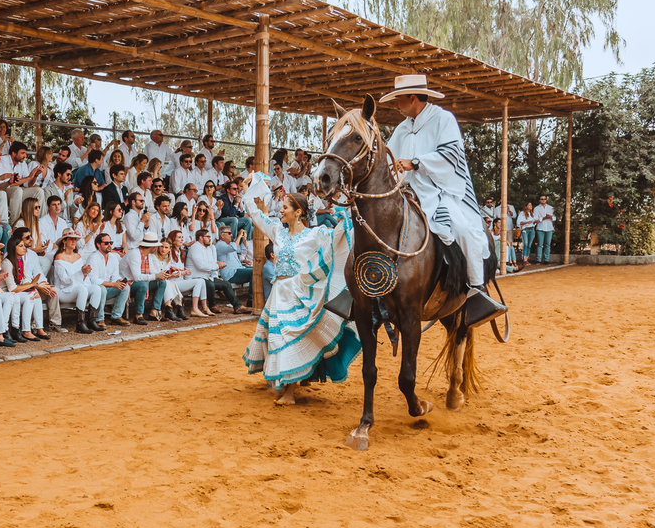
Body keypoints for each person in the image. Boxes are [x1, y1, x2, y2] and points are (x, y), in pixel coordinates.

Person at [381, 74, 504, 325]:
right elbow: (387, 159)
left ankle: (476, 293)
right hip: (404, 192)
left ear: (412, 98)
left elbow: (451, 154)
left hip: (440, 191)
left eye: (398, 99)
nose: (396, 105)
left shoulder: (443, 119)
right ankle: (359, 291)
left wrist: (416, 163)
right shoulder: (402, 127)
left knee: (462, 228)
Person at [240, 175, 361, 405]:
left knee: (288, 336)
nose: (281, 210)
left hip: (300, 291)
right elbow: (256, 215)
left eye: (285, 207)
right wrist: (247, 192)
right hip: (279, 292)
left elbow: (339, 240)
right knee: (277, 337)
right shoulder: (277, 230)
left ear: (298, 212)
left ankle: (289, 393)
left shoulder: (315, 234)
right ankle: (294, 380)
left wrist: (349, 218)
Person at [51, 230, 104, 334]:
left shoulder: (78, 256)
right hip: (64, 291)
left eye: (75, 239)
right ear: (64, 241)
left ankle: (91, 320)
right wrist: (81, 273)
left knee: (96, 288)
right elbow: (64, 280)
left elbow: (83, 277)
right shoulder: (59, 257)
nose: (74, 241)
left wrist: (85, 273)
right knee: (82, 289)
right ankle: (80, 323)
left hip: (79, 287)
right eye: (71, 239)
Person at [2, 232, 50, 340]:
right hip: (7, 292)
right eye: (21, 246)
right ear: (13, 248)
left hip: (16, 291)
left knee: (35, 294)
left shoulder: (20, 260)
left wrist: (36, 286)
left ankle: (40, 328)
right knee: (30, 296)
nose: (24, 248)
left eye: (24, 246)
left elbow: (24, 281)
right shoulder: (7, 262)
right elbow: (12, 288)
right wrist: (34, 285)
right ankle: (26, 330)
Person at [121, 232, 169, 325]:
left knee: (161, 282)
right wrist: (156, 276)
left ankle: (154, 312)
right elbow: (137, 277)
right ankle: (139, 315)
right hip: (127, 284)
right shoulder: (135, 255)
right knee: (143, 284)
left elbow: (153, 271)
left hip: (136, 283)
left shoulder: (148, 255)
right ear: (153, 247)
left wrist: (162, 275)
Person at [85, 232, 130, 327]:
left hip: (107, 289)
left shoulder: (113, 258)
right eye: (106, 243)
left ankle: (116, 316)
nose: (109, 245)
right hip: (93, 291)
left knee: (125, 287)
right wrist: (113, 284)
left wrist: (119, 281)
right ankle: (99, 318)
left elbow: (115, 276)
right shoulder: (93, 258)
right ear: (98, 244)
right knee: (101, 289)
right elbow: (94, 280)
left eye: (111, 243)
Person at [216, 224, 254, 307]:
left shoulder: (230, 244)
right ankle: (251, 300)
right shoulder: (220, 244)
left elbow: (243, 248)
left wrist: (244, 239)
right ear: (222, 235)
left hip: (238, 270)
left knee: (256, 273)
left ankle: (252, 299)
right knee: (254, 272)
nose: (231, 235)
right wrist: (239, 236)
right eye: (229, 233)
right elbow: (233, 248)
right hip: (231, 274)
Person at [533, 193, 555, 264]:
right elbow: (535, 218)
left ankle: (546, 259)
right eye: (542, 199)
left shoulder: (551, 208)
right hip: (540, 227)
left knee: (548, 244)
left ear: (546, 200)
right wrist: (543, 218)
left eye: (544, 199)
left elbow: (555, 218)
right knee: (540, 244)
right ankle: (538, 259)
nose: (543, 200)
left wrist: (550, 217)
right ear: (539, 200)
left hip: (549, 227)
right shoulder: (536, 208)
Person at [517, 201, 537, 268]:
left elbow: (535, 221)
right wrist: (527, 222)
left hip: (532, 229)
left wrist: (535, 222)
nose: (530, 206)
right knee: (525, 244)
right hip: (525, 229)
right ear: (526, 207)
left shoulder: (532, 214)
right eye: (529, 205)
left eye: (531, 205)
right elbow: (519, 222)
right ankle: (524, 259)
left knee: (529, 245)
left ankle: (527, 258)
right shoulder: (522, 214)